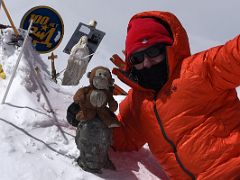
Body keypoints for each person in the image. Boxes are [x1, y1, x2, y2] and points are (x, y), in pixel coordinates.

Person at [111, 11, 240, 179]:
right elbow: (123, 137)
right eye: (137, 58)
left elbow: (234, 55)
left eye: (153, 51)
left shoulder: (199, 70)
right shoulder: (138, 101)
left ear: (169, 47)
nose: (147, 62)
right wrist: (88, 116)